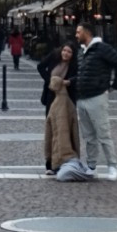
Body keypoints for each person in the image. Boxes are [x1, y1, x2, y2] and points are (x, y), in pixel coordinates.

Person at [71, 20, 117, 179]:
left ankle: (112, 166)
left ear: (87, 32)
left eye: (78, 32)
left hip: (97, 97)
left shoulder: (102, 49)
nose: (76, 35)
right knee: (88, 136)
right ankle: (91, 166)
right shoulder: (81, 51)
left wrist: (114, 85)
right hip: (82, 98)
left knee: (103, 133)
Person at [41, 42, 80, 174]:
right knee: (51, 129)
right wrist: (50, 81)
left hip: (67, 99)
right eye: (64, 50)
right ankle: (50, 163)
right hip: (51, 97)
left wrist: (69, 82)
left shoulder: (74, 65)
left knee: (66, 130)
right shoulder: (53, 57)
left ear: (72, 55)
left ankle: (65, 160)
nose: (66, 54)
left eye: (69, 52)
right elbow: (40, 67)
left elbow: (79, 77)